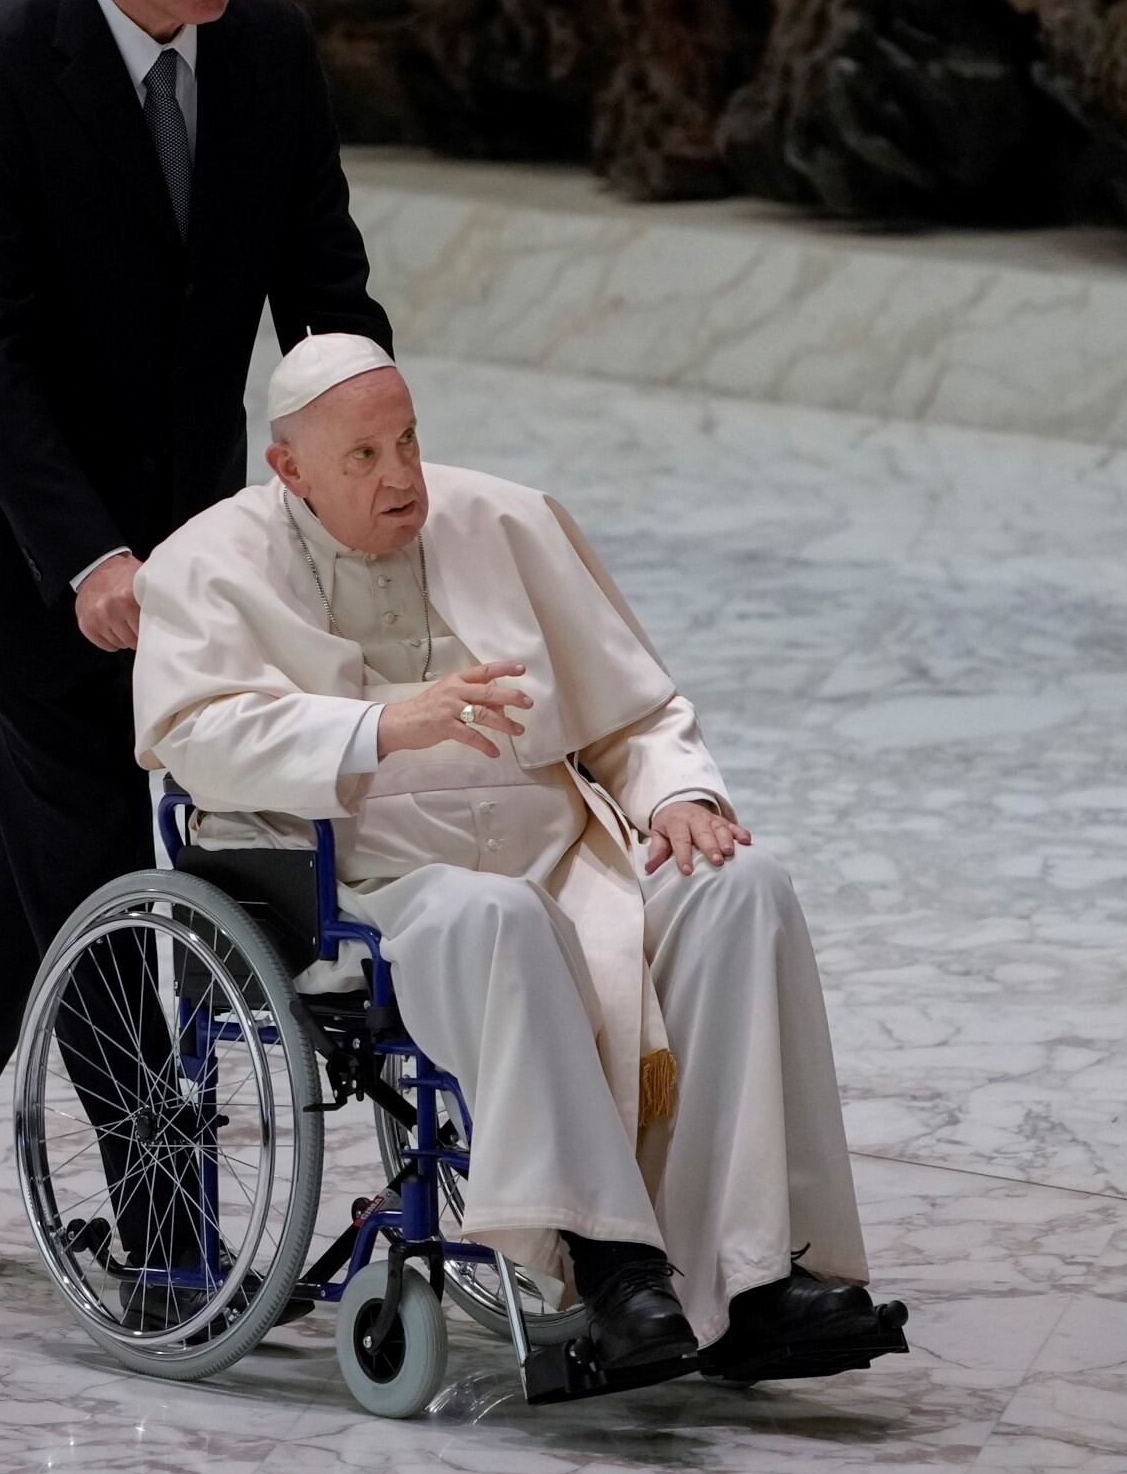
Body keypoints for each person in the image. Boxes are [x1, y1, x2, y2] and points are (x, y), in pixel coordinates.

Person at [0, 0, 395, 1275]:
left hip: (181, 532)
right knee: (92, 863)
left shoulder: (267, 53)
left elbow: (324, 282)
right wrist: (87, 555)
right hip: (6, 542)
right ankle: (171, 1245)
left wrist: (363, 455)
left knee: (42, 848)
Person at [129, 337, 908, 1389]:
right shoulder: (205, 564)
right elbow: (197, 734)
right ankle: (615, 1266)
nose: (402, 477)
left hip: (563, 855)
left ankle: (754, 1277)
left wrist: (676, 791)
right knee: (490, 916)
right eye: (362, 457)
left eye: (407, 440)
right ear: (290, 470)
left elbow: (633, 712)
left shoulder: (503, 519)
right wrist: (379, 729)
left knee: (740, 888)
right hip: (368, 884)